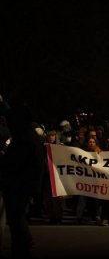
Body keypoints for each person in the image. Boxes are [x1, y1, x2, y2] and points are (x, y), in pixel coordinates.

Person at [0, 105, 44, 258]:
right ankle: (22, 242)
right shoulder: (28, 136)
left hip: (18, 185)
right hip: (20, 184)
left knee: (16, 216)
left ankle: (22, 244)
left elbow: (16, 163)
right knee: (17, 216)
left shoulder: (24, 139)